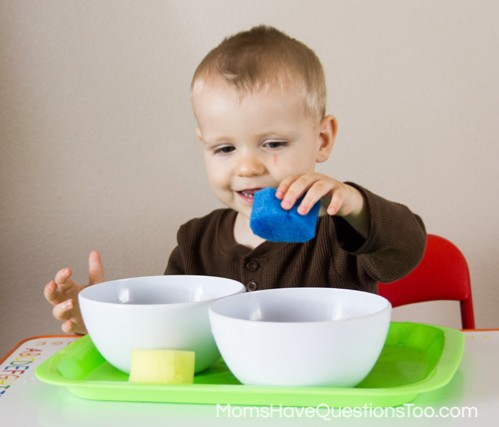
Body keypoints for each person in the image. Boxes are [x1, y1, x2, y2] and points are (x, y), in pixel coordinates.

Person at [44, 25, 426, 335]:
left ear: (321, 139)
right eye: (224, 149)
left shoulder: (340, 232)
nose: (246, 168)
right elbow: (170, 333)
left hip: (326, 399)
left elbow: (406, 250)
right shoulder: (194, 243)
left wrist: (353, 205)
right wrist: (95, 316)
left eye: (273, 143)